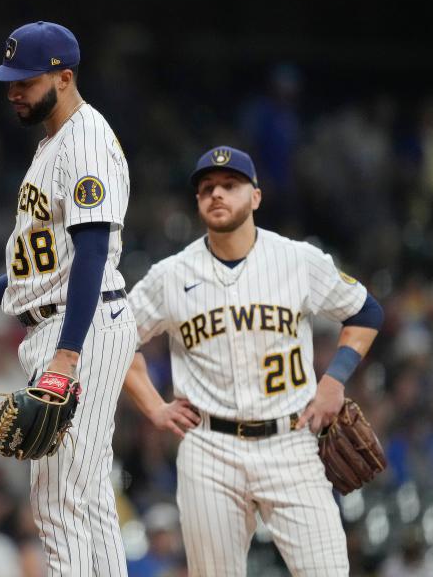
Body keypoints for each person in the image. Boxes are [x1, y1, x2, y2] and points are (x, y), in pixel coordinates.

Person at [0, 21, 134, 576]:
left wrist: (67, 355)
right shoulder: (53, 143)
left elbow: (90, 254)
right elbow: (45, 261)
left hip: (78, 326)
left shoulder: (84, 143)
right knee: (87, 498)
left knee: (58, 501)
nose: (12, 91)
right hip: (69, 317)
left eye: (25, 80)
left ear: (64, 77)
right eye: (8, 80)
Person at [124, 146, 384, 576]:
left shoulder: (297, 259)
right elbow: (116, 339)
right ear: (198, 202)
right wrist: (153, 405)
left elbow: (366, 310)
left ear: (256, 197)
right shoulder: (170, 275)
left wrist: (334, 380)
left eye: (230, 185)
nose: (217, 194)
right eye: (207, 188)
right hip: (209, 448)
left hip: (290, 440)